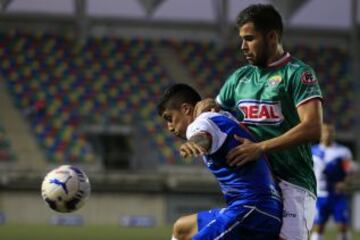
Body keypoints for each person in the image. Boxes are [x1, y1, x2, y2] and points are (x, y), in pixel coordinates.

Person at [195, 4, 323, 240]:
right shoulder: (239, 78)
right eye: (242, 39)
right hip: (256, 184)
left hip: (294, 182)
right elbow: (219, 115)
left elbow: (313, 127)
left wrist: (260, 147)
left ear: (272, 36)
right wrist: (208, 105)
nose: (243, 46)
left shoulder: (298, 73)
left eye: (250, 39)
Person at [158, 83, 282, 240]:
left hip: (252, 211)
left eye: (170, 118)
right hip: (259, 208)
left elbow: (203, 135)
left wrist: (195, 142)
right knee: (182, 228)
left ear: (186, 109)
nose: (169, 127)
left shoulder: (201, 121)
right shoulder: (222, 116)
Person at [311, 122, 356, 240]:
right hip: (319, 195)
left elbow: (349, 171)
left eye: (331, 131)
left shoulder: (342, 152)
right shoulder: (312, 152)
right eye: (326, 131)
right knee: (318, 226)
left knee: (343, 226)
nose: (328, 134)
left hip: (337, 195)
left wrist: (344, 183)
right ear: (320, 133)